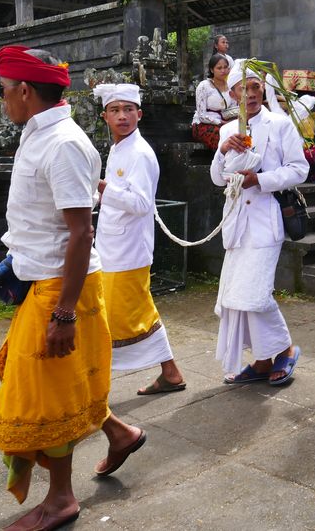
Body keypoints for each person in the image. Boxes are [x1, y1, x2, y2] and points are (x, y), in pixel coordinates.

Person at [0, 46, 145, 531]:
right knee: (53, 379)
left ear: (24, 91)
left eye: (2, 91)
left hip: (63, 288)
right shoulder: (38, 135)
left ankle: (60, 500)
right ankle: (119, 432)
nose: (2, 101)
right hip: (42, 278)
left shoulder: (63, 143)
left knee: (44, 396)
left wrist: (64, 313)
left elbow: (80, 233)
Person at [209, 62, 307, 385]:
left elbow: (298, 170)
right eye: (243, 90)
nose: (250, 95)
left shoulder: (279, 124)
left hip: (266, 221)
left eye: (255, 88)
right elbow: (216, 178)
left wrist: (260, 180)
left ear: (262, 89)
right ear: (232, 93)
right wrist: (223, 151)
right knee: (236, 297)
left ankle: (286, 349)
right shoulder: (226, 131)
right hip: (237, 225)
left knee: (255, 293)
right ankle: (263, 361)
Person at [93, 82, 185, 396]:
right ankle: (170, 372)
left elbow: (143, 203)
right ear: (105, 116)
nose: (122, 116)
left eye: (128, 110)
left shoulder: (140, 153)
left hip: (129, 250)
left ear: (139, 114)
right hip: (112, 247)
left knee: (123, 317)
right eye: (115, 110)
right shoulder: (118, 148)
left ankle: (96, 384)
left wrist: (104, 188)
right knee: (136, 312)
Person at [191, 54, 235, 150]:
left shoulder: (231, 87)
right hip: (203, 125)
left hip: (224, 123)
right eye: (219, 68)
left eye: (225, 67)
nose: (223, 71)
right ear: (212, 70)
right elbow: (202, 115)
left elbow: (233, 108)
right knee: (222, 136)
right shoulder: (204, 86)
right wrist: (221, 122)